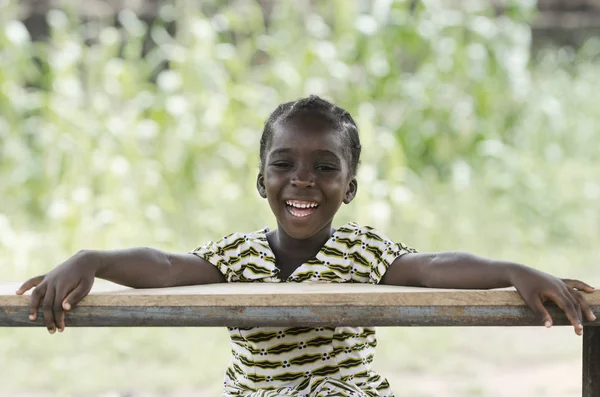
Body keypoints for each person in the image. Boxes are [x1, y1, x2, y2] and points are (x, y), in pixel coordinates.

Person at [16, 96, 596, 397]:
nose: (303, 180)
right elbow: (165, 267)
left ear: (350, 187)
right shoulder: (238, 255)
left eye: (325, 167)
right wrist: (90, 259)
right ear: (260, 179)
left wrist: (514, 270)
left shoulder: (363, 252)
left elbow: (435, 267)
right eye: (284, 164)